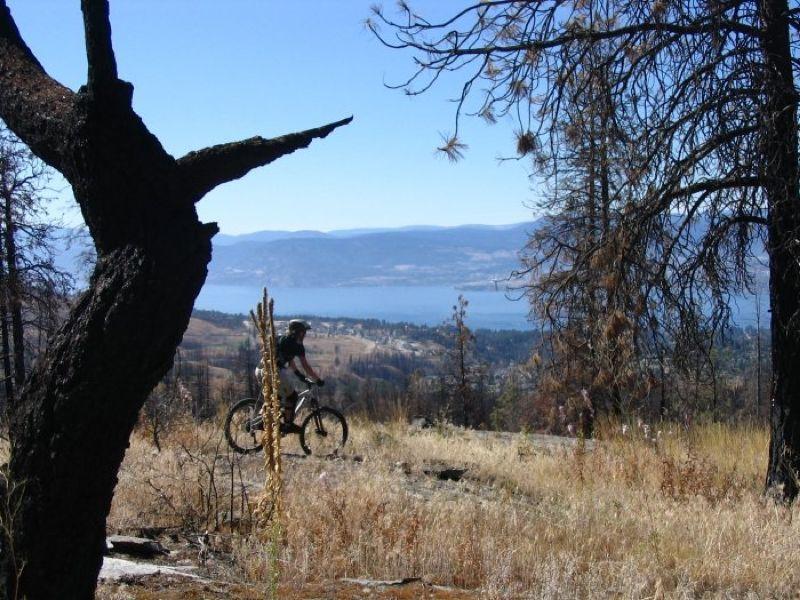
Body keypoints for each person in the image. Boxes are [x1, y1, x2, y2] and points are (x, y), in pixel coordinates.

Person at [275, 319, 324, 434]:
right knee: (292, 396)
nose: (305, 335)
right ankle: (288, 425)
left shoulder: (283, 338)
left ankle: (262, 421)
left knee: (275, 398)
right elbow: (306, 366)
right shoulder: (297, 346)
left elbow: (290, 360)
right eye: (304, 332)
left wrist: (299, 375)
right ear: (298, 332)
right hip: (275, 371)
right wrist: (318, 380)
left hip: (261, 369)